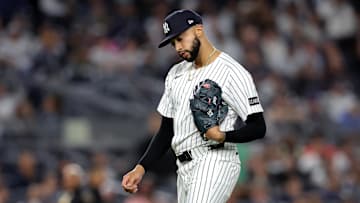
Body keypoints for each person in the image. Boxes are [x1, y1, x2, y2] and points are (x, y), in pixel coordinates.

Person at [122, 9, 266, 203]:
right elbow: (166, 130)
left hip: (215, 159)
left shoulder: (231, 71)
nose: (177, 47)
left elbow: (258, 126)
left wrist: (224, 136)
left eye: (180, 39)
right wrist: (141, 167)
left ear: (198, 30)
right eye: (173, 43)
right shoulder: (175, 74)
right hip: (183, 166)